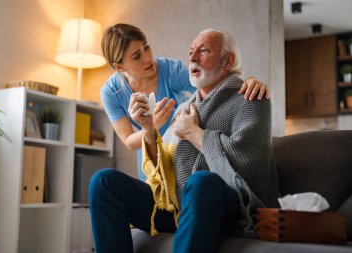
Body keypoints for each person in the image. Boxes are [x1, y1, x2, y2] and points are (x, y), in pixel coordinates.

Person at [89, 28, 280, 253]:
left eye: (203, 50)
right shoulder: (185, 108)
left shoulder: (251, 98)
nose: (191, 58)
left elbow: (246, 165)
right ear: (119, 66)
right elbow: (162, 169)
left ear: (228, 60)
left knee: (201, 182)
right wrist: (149, 129)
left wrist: (195, 134)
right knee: (103, 182)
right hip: (178, 207)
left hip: (228, 204)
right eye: (191, 51)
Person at [100, 23, 271, 181]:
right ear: (119, 67)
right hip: (153, 152)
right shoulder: (111, 92)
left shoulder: (169, 71)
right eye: (137, 56)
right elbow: (129, 140)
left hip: (187, 150)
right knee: (108, 180)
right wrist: (151, 127)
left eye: (146, 47)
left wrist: (247, 80)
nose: (147, 58)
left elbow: (214, 80)